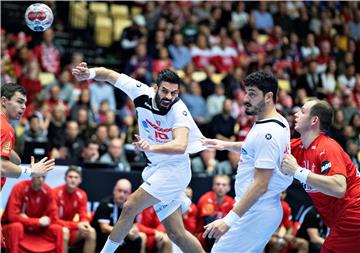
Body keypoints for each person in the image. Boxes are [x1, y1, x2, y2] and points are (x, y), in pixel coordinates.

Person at [72, 62, 206, 253]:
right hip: (154, 168)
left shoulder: (179, 111)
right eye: (165, 91)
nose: (169, 97)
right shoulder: (141, 92)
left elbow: (180, 145)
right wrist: (89, 73)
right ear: (155, 88)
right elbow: (109, 74)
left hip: (174, 169)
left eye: (174, 93)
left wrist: (152, 146)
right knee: (177, 234)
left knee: (130, 205)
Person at [202, 72, 292, 253]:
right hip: (260, 208)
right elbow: (254, 147)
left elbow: (260, 185)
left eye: (252, 94)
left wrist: (228, 221)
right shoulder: (276, 120)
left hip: (255, 210)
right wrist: (226, 145)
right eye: (246, 93)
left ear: (268, 97)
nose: (245, 99)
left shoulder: (268, 132)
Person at [281, 99, 360, 253]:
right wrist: (227, 145)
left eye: (302, 111)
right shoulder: (299, 147)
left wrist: (298, 171)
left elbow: (339, 187)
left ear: (314, 120)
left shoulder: (327, 146)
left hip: (354, 212)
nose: (296, 114)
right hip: (341, 218)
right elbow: (263, 147)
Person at [1, 83, 55, 189]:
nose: (24, 107)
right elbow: (2, 167)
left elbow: (16, 161)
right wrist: (31, 171)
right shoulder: (4, 128)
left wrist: (15, 158)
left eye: (25, 103)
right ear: (3, 101)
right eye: (19, 101)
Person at [1, 176, 64, 253]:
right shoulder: (19, 187)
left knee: (58, 229)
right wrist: (37, 222)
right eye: (38, 176)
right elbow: (12, 217)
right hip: (16, 227)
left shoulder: (48, 191)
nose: (40, 179)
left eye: (43, 177)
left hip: (38, 229)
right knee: (17, 227)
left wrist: (29, 221)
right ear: (32, 176)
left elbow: (54, 217)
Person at [91, 179, 145, 253]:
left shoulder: (130, 206)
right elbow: (104, 228)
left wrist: (133, 230)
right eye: (119, 191)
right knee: (112, 239)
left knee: (137, 239)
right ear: (114, 191)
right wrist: (124, 233)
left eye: (125, 192)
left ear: (130, 194)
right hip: (103, 235)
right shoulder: (105, 204)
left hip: (121, 234)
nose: (122, 194)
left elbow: (133, 224)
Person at [53, 166, 96, 253]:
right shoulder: (55, 192)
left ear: (80, 180)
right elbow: (54, 220)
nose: (73, 180)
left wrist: (85, 224)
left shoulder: (82, 194)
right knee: (64, 232)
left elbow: (83, 215)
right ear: (65, 178)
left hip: (71, 229)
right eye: (70, 177)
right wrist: (76, 225)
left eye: (76, 177)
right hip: (56, 228)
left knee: (91, 231)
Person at [196, 175, 235, 252]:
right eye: (218, 184)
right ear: (213, 186)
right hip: (204, 236)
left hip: (222, 235)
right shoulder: (206, 200)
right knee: (212, 232)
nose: (220, 187)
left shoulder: (231, 202)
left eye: (224, 185)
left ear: (228, 188)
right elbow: (209, 224)